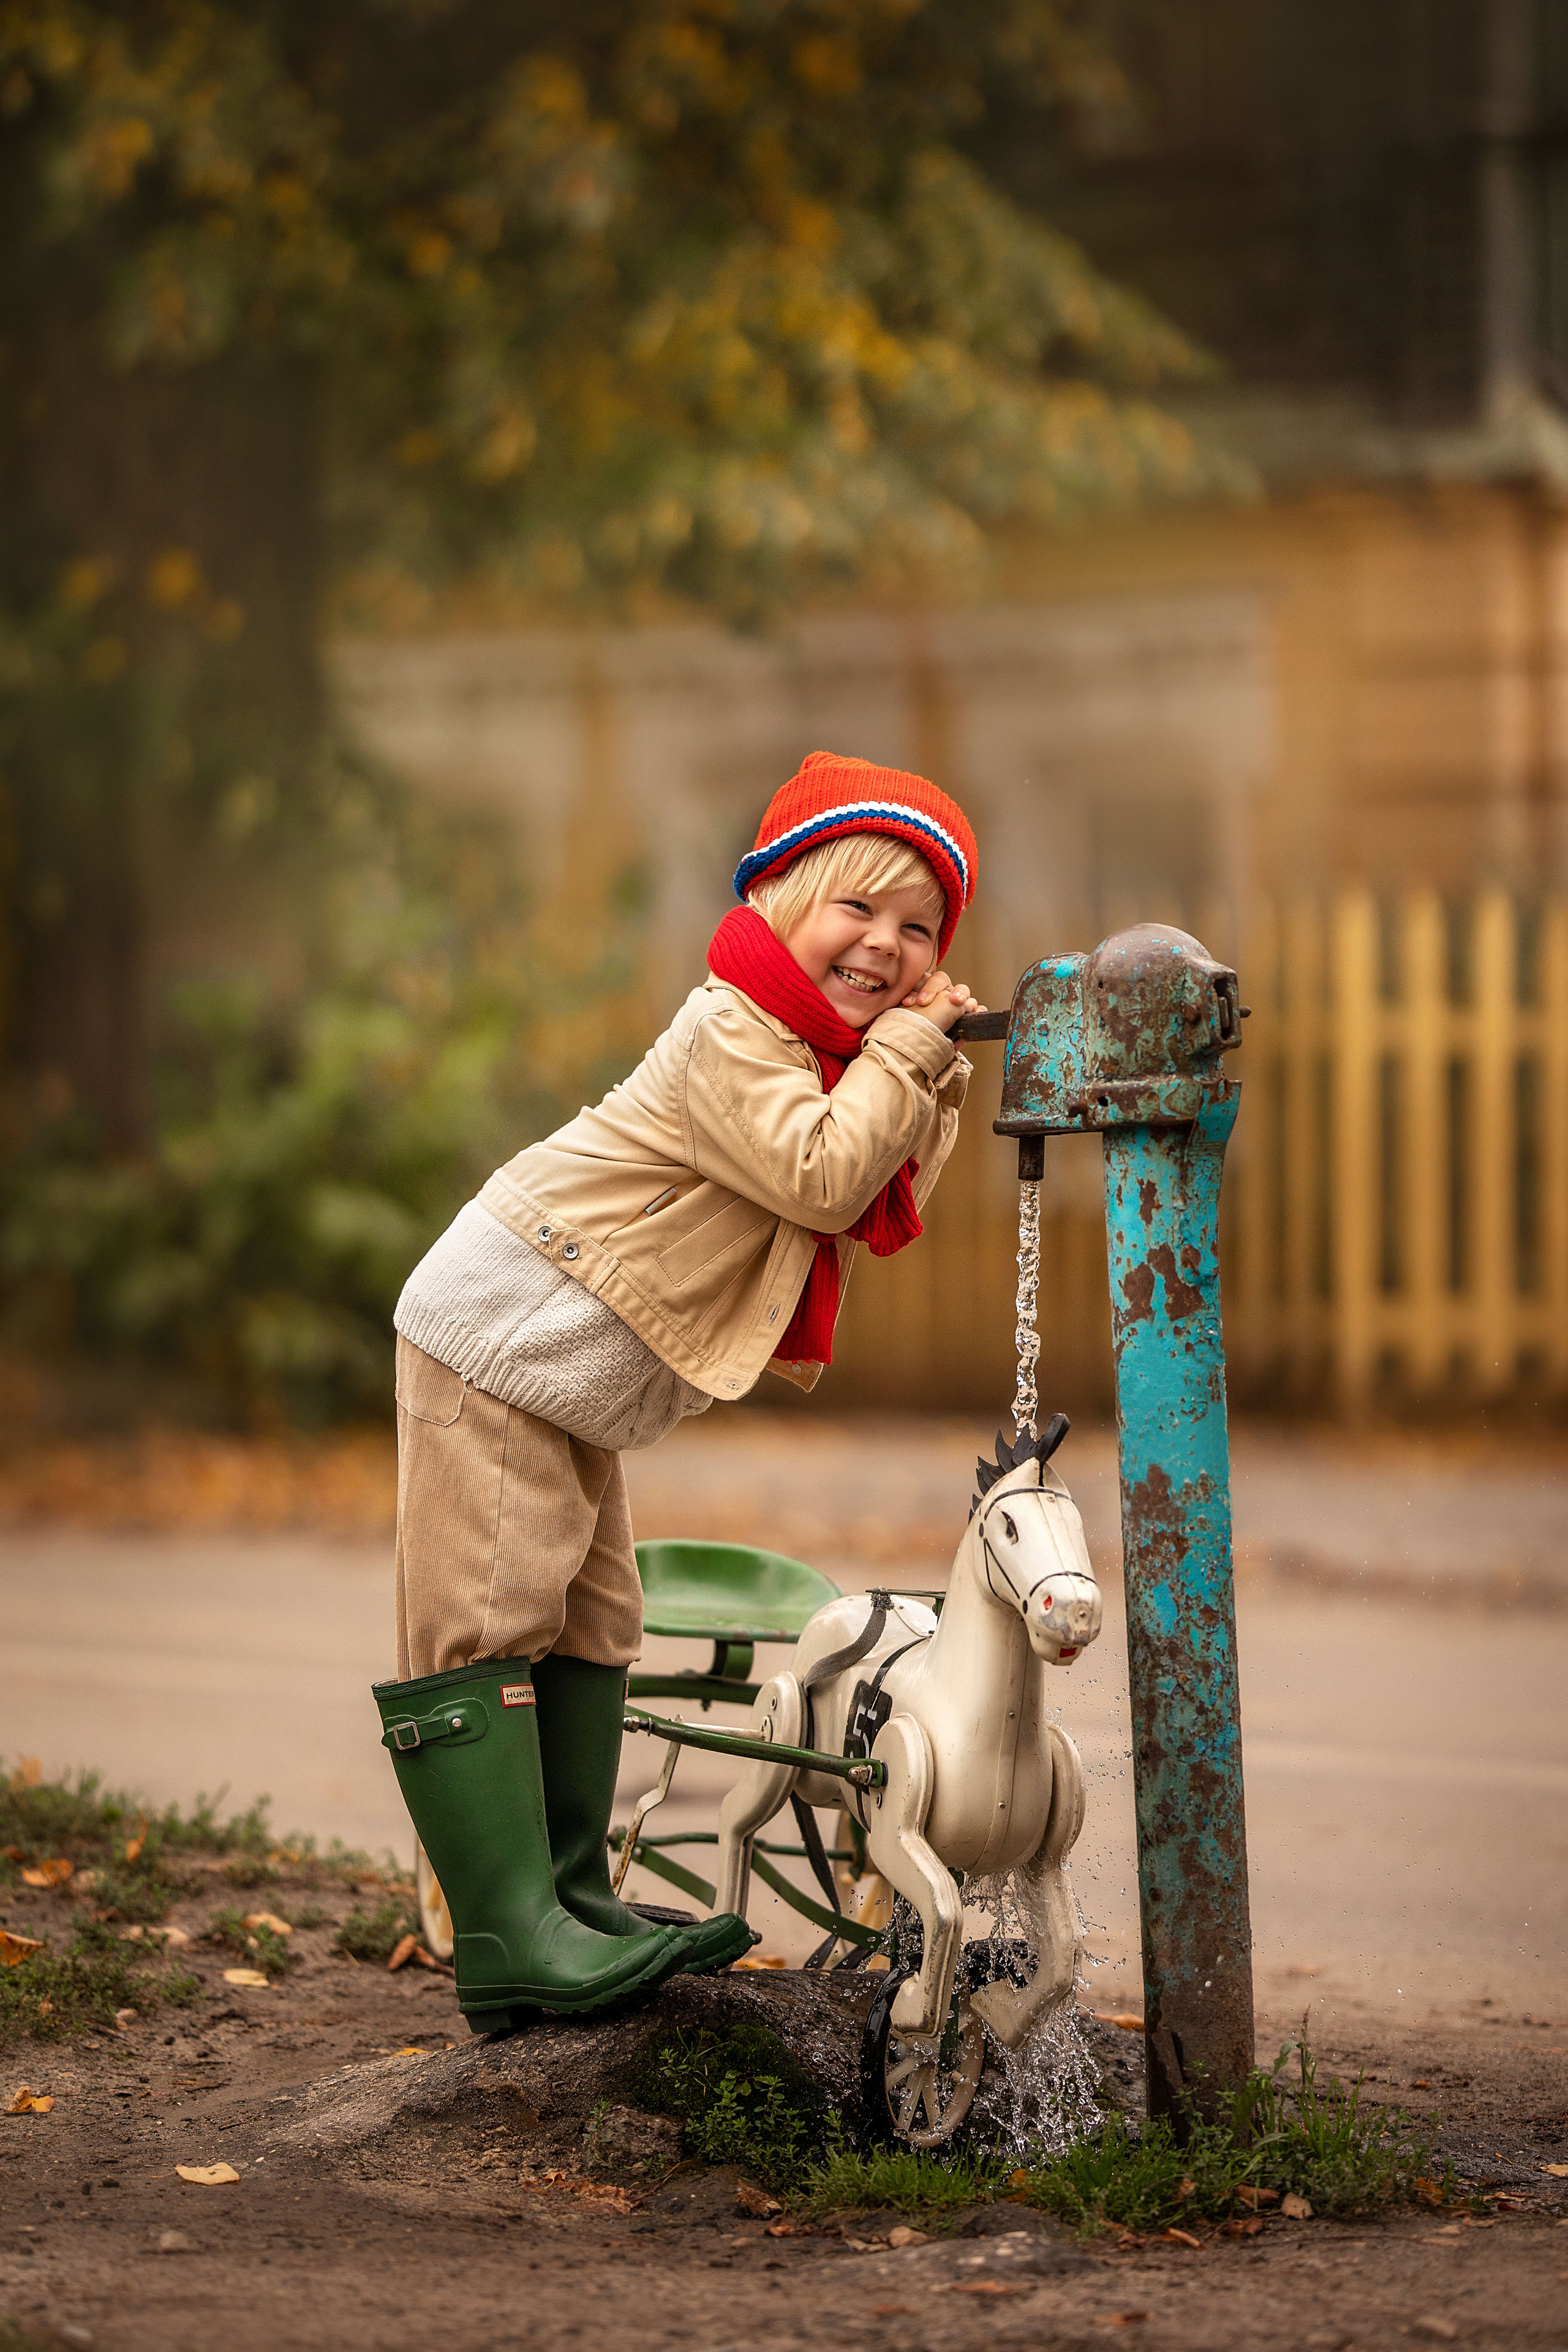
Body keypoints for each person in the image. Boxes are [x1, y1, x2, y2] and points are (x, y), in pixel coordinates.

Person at [371, 750, 983, 2031]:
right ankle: (505, 1936)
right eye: (853, 908)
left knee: (593, 1623)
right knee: (487, 1620)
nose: (882, 945)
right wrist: (903, 1058)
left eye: (916, 929)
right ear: (776, 900)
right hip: (501, 1341)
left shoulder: (829, 1055)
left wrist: (922, 1065)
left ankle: (573, 1899)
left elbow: (880, 1191)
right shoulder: (732, 1029)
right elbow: (820, 1178)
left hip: (569, 1381)